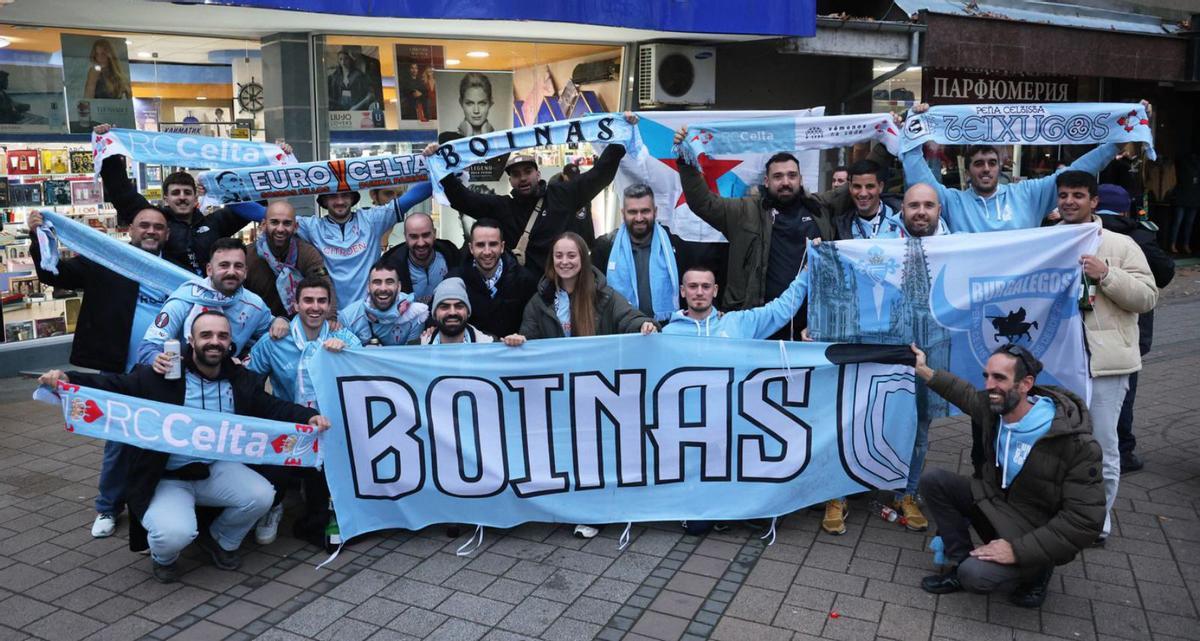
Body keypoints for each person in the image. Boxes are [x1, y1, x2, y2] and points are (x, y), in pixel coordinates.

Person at [38, 311, 329, 583]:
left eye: (222, 336)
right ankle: (163, 558)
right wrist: (68, 380)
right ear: (191, 341)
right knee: (174, 534)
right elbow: (114, 386)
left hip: (215, 469)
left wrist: (308, 417)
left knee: (262, 495)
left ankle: (220, 540)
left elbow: (271, 407)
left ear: (230, 343)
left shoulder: (240, 380)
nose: (214, 342)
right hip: (167, 476)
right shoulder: (160, 375)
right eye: (206, 335)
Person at [913, 342, 1103, 607]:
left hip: (1033, 527)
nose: (989, 385)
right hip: (997, 504)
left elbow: (1084, 522)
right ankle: (961, 559)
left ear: (1025, 384)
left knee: (975, 576)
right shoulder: (996, 409)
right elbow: (963, 393)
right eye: (987, 376)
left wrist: (1015, 550)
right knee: (934, 481)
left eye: (999, 378)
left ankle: (1038, 570)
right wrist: (923, 369)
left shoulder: (1075, 444)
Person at [27, 206, 177, 538]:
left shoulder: (177, 268)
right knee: (118, 439)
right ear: (130, 230)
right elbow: (56, 275)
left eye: (158, 227)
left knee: (166, 434)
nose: (150, 232)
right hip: (118, 368)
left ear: (167, 234)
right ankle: (108, 507)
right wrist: (37, 237)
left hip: (166, 369)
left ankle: (158, 501)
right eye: (144, 226)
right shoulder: (108, 259)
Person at [504, 233, 657, 539]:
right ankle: (566, 506)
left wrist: (643, 324)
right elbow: (528, 336)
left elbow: (627, 317)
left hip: (595, 392)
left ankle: (594, 513)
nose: (565, 262)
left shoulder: (603, 295)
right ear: (551, 261)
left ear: (583, 258)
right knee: (566, 453)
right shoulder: (541, 300)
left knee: (594, 455)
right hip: (559, 395)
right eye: (559, 256)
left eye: (571, 255)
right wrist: (519, 341)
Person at [820, 182, 950, 536]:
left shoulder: (957, 247)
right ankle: (839, 493)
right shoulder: (882, 242)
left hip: (929, 348)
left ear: (939, 210)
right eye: (913, 206)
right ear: (902, 210)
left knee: (919, 423)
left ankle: (905, 493)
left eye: (928, 205)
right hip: (877, 344)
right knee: (852, 417)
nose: (920, 212)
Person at [1055, 170, 1157, 544]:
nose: (1069, 202)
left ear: (1093, 201)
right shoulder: (1048, 240)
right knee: (1060, 446)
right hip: (1060, 363)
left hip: (1106, 364)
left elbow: (1147, 298)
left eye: (1078, 195)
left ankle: (1097, 522)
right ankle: (1062, 511)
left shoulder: (1120, 244)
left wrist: (1106, 274)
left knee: (1101, 444)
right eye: (1064, 195)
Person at [427, 113, 639, 276]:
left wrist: (621, 136)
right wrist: (442, 169)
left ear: (538, 173)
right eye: (516, 174)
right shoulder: (503, 207)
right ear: (510, 180)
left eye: (528, 172)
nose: (523, 178)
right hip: (522, 296)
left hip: (565, 288)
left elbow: (600, 175)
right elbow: (464, 200)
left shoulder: (562, 195)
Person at [901, 102, 1144, 233]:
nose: (986, 169)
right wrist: (913, 129)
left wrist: (1114, 145)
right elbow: (919, 180)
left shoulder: (1027, 194)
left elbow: (1074, 173)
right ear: (968, 172)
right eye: (978, 164)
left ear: (1001, 167)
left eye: (992, 163)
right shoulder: (952, 201)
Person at [245, 277, 358, 544]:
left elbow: (366, 372)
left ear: (330, 306)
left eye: (321, 301)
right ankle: (274, 505)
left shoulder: (342, 336)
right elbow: (248, 383)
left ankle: (327, 506)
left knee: (329, 477)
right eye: (308, 300)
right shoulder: (274, 340)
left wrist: (348, 354)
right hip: (289, 424)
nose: (315, 307)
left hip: (329, 426)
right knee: (273, 459)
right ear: (295, 304)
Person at [94, 123, 275, 276]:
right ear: (166, 198)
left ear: (196, 196)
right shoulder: (155, 223)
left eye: (187, 192)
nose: (182, 197)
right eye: (176, 193)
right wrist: (109, 151)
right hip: (167, 299)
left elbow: (256, 202)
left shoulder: (215, 223)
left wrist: (274, 160)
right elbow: (123, 194)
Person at [1093, 184, 1174, 473]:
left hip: (1091, 337)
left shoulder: (1125, 241)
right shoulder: (1140, 235)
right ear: (1126, 209)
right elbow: (1165, 275)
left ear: (1093, 203)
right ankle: (1123, 449)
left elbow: (1148, 291)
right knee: (1123, 392)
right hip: (1130, 332)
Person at [138, 237, 281, 365]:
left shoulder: (254, 305)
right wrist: (157, 359)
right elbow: (148, 347)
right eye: (224, 265)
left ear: (245, 272)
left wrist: (281, 321)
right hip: (183, 384)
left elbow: (274, 332)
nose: (231, 272)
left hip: (228, 386)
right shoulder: (184, 299)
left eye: (238, 266)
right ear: (209, 270)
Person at [295, 178, 432, 307]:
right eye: (333, 196)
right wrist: (280, 155)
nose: (340, 201)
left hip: (370, 312)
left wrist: (441, 168)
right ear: (324, 200)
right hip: (332, 316)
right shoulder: (313, 227)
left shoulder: (371, 220)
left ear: (353, 198)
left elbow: (410, 199)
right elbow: (277, 218)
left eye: (345, 195)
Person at [591, 184, 684, 322]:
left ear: (655, 212)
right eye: (633, 212)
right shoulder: (604, 248)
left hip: (666, 330)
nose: (639, 218)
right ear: (623, 213)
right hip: (620, 332)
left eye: (645, 211)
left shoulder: (674, 246)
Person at [245, 201, 335, 318]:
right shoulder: (247, 256)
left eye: (287, 223)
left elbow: (325, 286)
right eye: (274, 222)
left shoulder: (306, 253)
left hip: (301, 325)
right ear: (263, 225)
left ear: (295, 227)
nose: (280, 229)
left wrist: (331, 318)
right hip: (257, 324)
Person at [450, 218, 537, 338]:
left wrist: (522, 336)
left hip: (512, 353)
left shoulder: (525, 280)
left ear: (502, 247)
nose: (487, 252)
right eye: (480, 245)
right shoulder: (454, 280)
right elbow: (438, 316)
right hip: (470, 354)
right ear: (471, 248)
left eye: (493, 244)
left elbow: (535, 324)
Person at [338, 261, 429, 346]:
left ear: (399, 287)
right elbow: (344, 357)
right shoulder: (349, 317)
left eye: (389, 282)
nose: (383, 288)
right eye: (377, 282)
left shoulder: (414, 315)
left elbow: (412, 356)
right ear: (368, 287)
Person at [379, 212, 461, 305]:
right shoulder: (391, 266)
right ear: (405, 237)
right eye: (414, 236)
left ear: (434, 233)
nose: (421, 243)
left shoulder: (451, 254)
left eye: (426, 235)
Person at [834, 159, 906, 240]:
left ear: (880, 187)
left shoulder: (902, 219)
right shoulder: (839, 226)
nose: (863, 194)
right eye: (857, 186)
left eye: (870, 186)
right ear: (850, 187)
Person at [416, 277, 495, 344]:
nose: (452, 312)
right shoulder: (415, 350)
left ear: (468, 312)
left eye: (459, 306)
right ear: (434, 314)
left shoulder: (492, 346)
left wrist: (507, 346)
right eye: (444, 307)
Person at [1171, 151, 1199, 254]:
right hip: (1182, 197)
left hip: (1194, 199)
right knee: (1178, 222)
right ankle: (1173, 244)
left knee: (1189, 223)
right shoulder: (1183, 164)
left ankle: (1185, 244)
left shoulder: (1197, 166)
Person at [455, 72, 495, 136]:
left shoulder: (502, 139)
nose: (476, 111)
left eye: (482, 103)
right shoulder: (446, 138)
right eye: (469, 103)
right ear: (461, 103)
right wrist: (468, 136)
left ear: (490, 103)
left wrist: (487, 137)